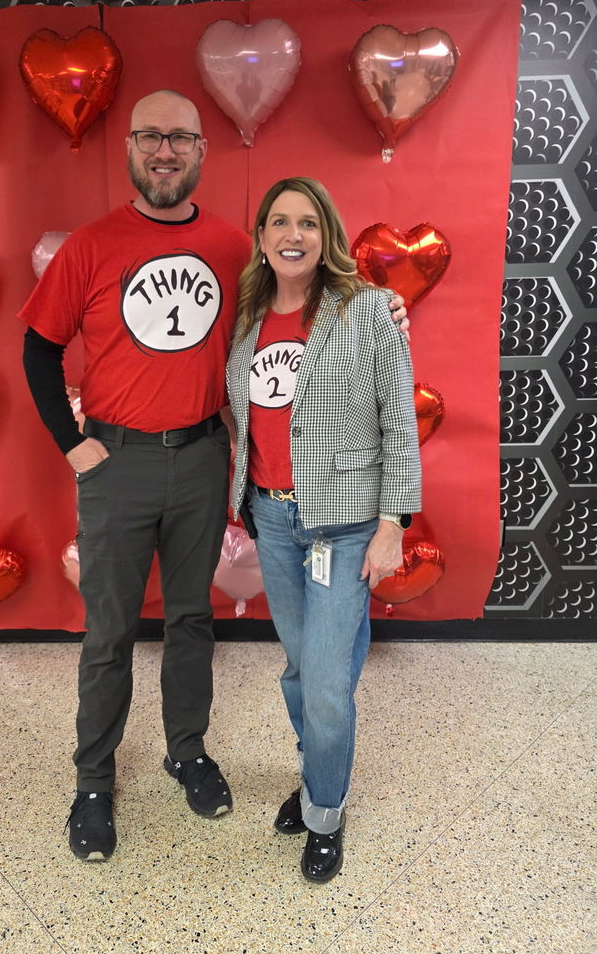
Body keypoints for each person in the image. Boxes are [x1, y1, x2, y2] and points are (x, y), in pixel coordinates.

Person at [20, 92, 408, 863]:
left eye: (182, 139)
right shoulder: (92, 246)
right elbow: (38, 347)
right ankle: (94, 782)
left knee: (192, 619)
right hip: (117, 459)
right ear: (132, 146)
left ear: (202, 151)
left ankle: (186, 751)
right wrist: (72, 444)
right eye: (152, 136)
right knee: (109, 633)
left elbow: (305, 300)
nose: (166, 151)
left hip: (203, 458)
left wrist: (384, 307)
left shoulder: (238, 247)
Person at [226, 177, 421, 884]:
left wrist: (394, 521)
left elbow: (399, 420)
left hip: (343, 528)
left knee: (330, 684)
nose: (293, 235)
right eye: (279, 221)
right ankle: (317, 773)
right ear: (261, 237)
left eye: (308, 222)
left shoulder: (367, 312)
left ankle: (325, 812)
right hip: (274, 518)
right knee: (299, 669)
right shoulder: (246, 322)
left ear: (327, 234)